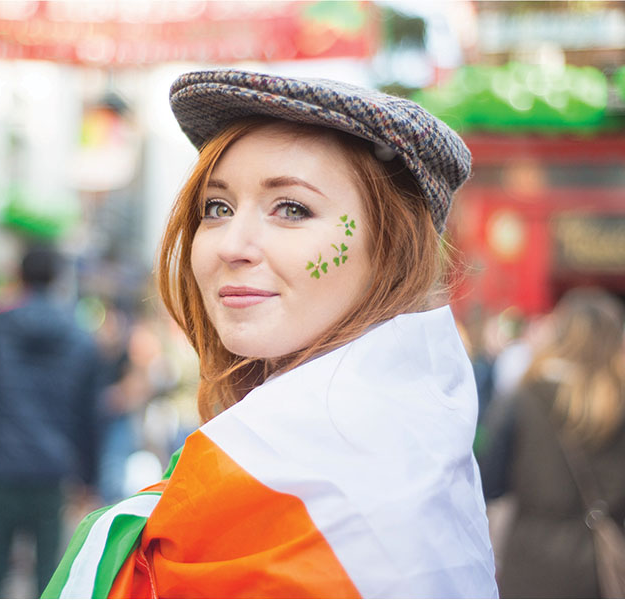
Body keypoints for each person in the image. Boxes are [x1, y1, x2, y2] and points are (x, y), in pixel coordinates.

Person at [43, 70, 497, 599]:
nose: (231, 244)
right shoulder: (385, 440)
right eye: (217, 208)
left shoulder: (353, 499)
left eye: (292, 209)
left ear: (389, 248)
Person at [479, 288, 625, 598]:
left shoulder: (525, 398)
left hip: (534, 565)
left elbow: (489, 481)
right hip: (607, 566)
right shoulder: (619, 402)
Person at [0, 245, 101, 598]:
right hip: (53, 473)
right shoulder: (81, 339)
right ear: (57, 280)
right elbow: (89, 417)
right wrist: (89, 478)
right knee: (50, 579)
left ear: (19, 276)